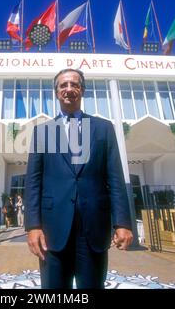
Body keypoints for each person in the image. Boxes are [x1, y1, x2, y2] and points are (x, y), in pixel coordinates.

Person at [24, 68, 133, 289]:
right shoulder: (42, 132)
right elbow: (33, 182)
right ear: (56, 92)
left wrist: (122, 222)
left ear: (82, 90)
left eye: (74, 84)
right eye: (63, 85)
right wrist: (32, 226)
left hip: (93, 227)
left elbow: (115, 178)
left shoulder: (103, 129)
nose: (69, 89)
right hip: (52, 231)